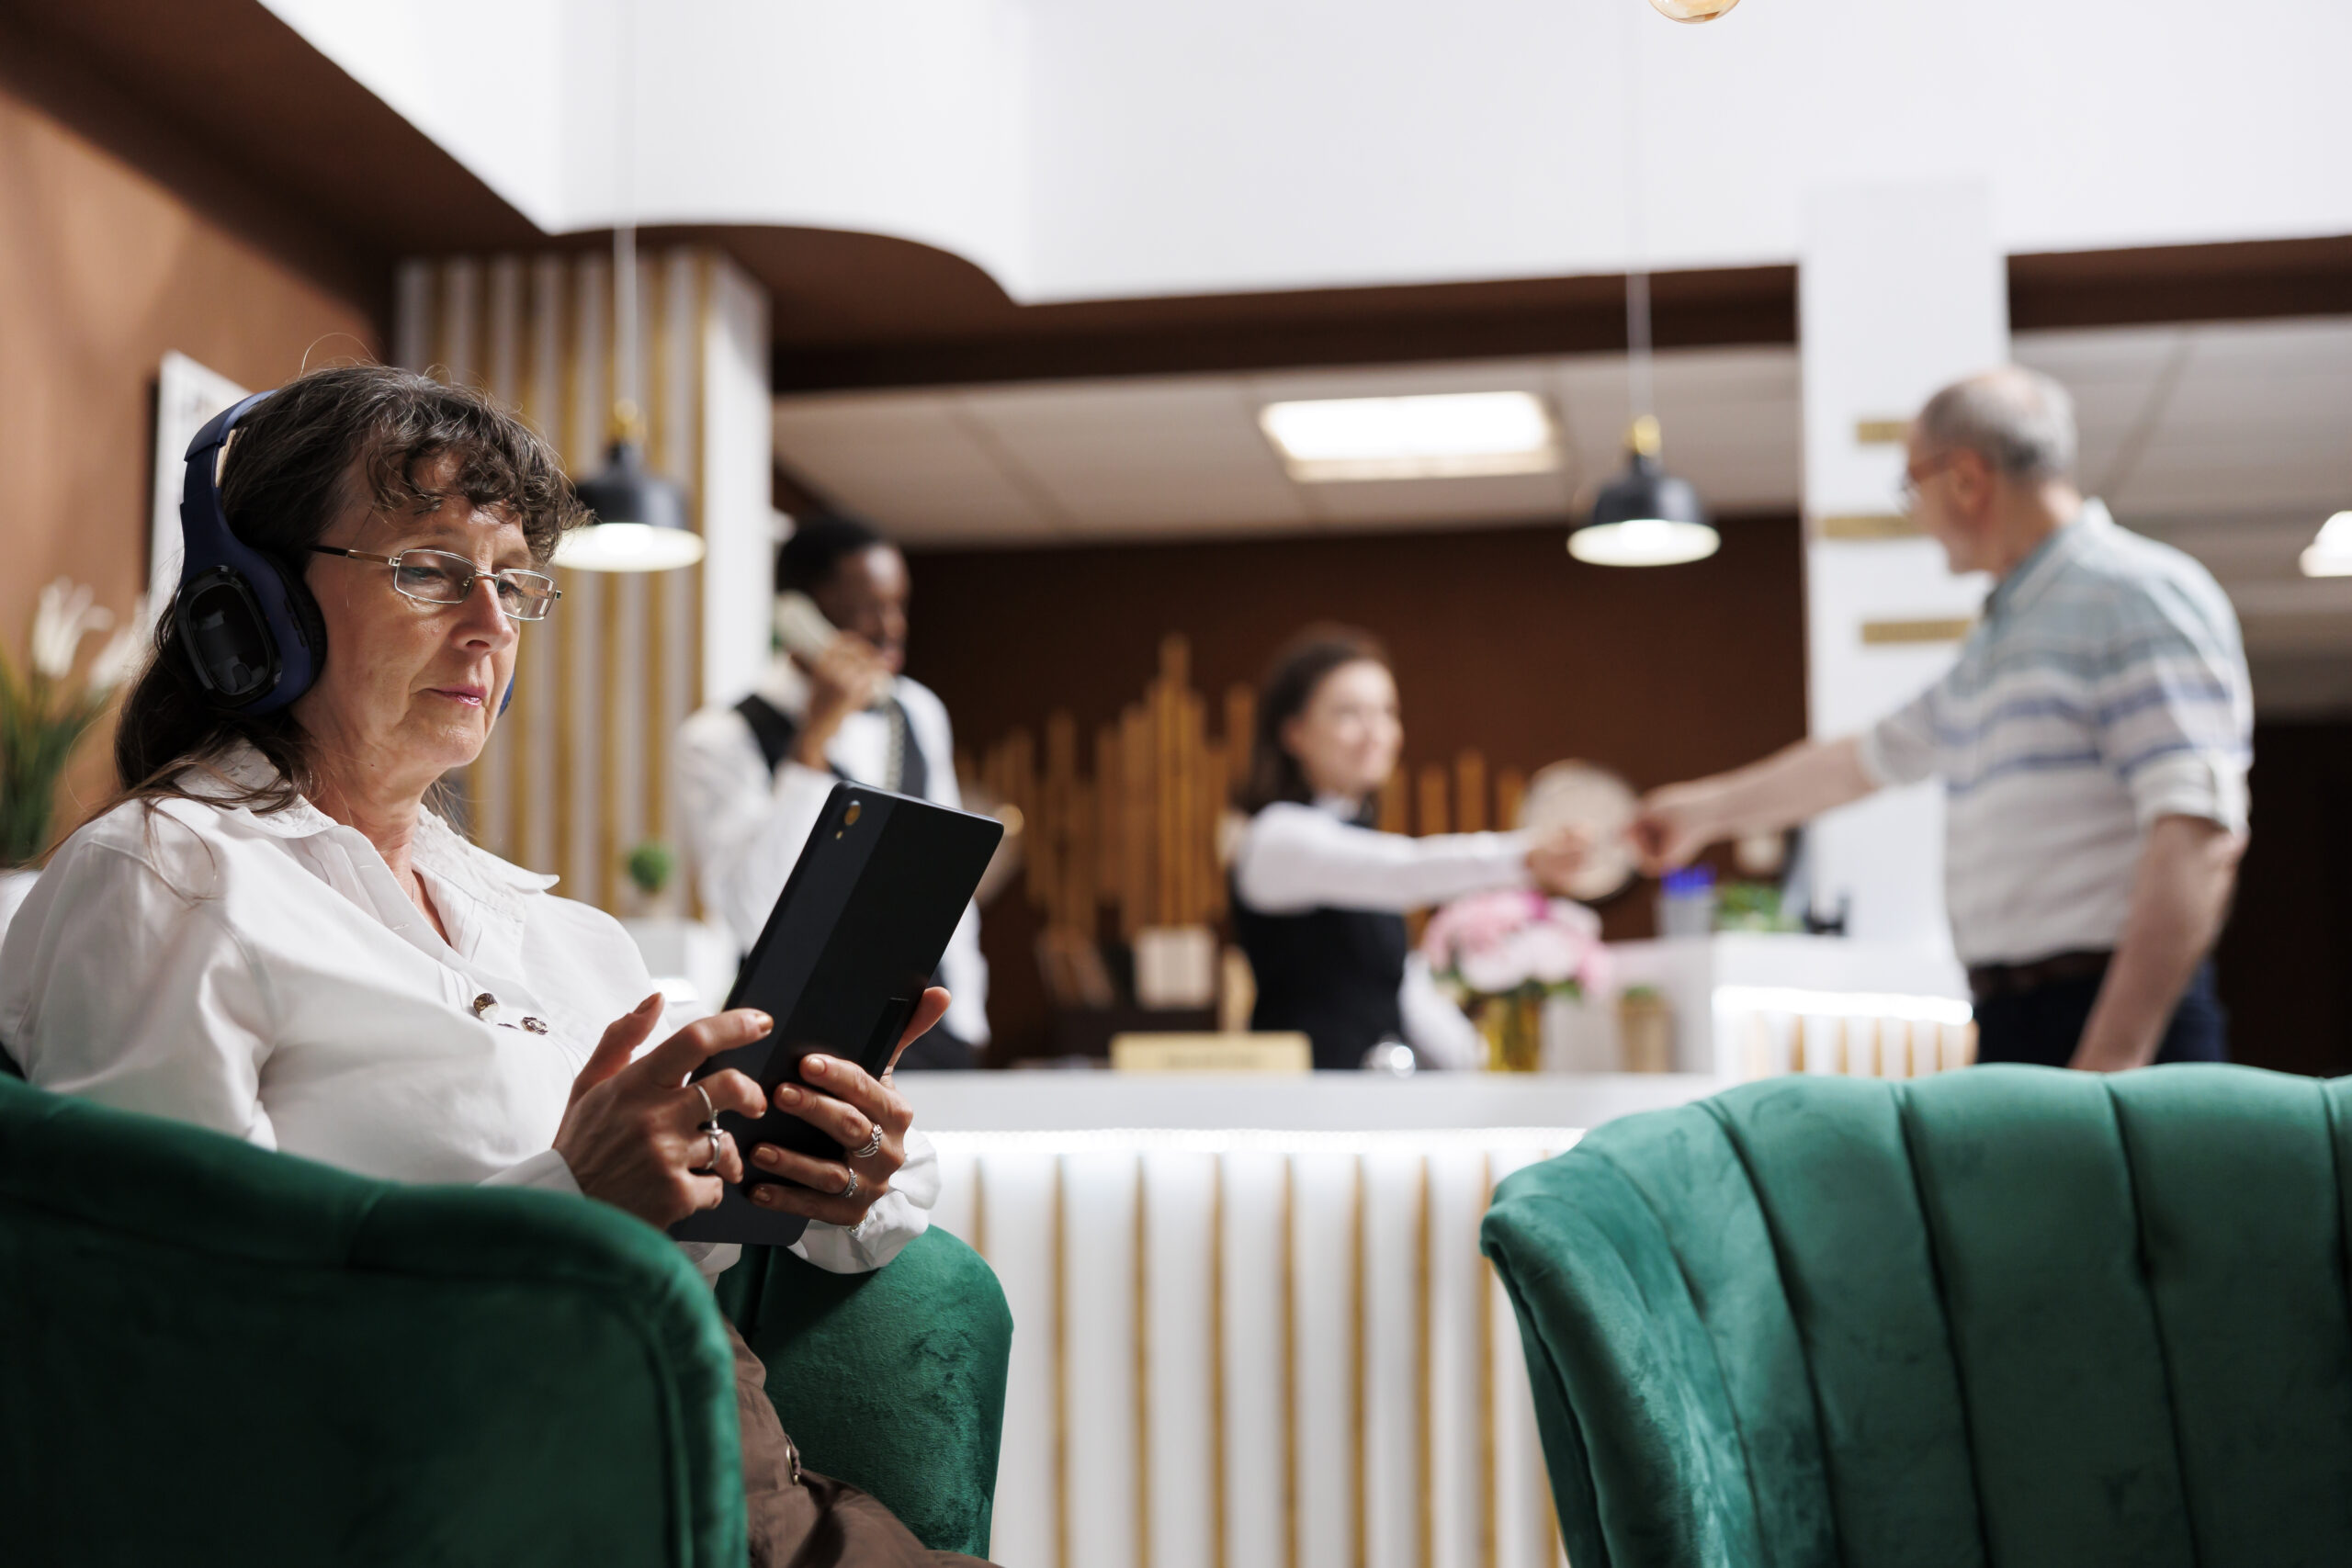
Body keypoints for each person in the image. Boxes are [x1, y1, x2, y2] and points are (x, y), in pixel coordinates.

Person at [0, 367, 982, 1567]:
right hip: (499, 1506)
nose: (490, 624)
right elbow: (178, 1345)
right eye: (426, 569)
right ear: (249, 609)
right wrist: (573, 1199)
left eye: (515, 582)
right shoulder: (168, 880)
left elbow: (746, 1223)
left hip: (731, 1479)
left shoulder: (556, 931)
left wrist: (834, 1164)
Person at [1631, 367, 2251, 1072]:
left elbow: (2198, 837)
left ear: (1964, 479)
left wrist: (2109, 1059)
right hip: (2015, 1022)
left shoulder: (2138, 597)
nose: (1914, 512)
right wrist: (1701, 814)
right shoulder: (1999, 638)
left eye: (1911, 486)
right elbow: (1858, 761)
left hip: (2113, 1025)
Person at [676, 514, 986, 1069]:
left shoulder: (917, 712)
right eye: (867, 608)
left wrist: (969, 1020)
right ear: (799, 613)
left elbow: (950, 882)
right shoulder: (721, 738)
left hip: (927, 1034)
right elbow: (754, 910)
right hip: (797, 1040)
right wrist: (813, 739)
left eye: (899, 606)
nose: (891, 629)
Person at [1230, 626, 1591, 1071]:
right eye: (1348, 713)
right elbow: (1403, 872)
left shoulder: (1360, 839)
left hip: (1376, 1101)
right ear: (1295, 732)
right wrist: (1525, 856)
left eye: (1386, 712)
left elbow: (1402, 991)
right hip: (1299, 1100)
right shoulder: (1276, 837)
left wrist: (1484, 1065)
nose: (1375, 732)